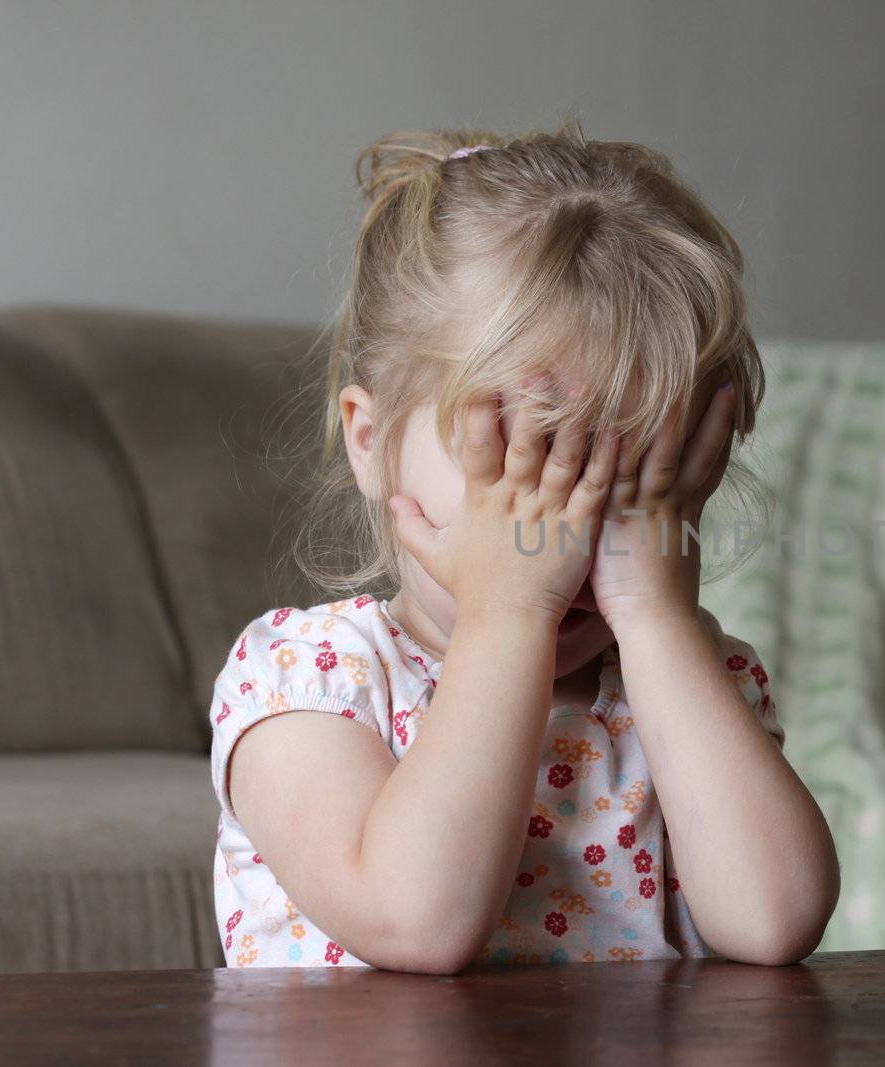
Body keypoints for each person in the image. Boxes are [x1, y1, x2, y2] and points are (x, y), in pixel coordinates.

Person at [208, 118, 839, 972]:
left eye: (637, 477)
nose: (570, 528)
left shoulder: (687, 682)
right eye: (528, 461)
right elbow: (414, 920)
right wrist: (507, 616)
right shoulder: (308, 683)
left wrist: (657, 618)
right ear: (372, 440)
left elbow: (773, 923)